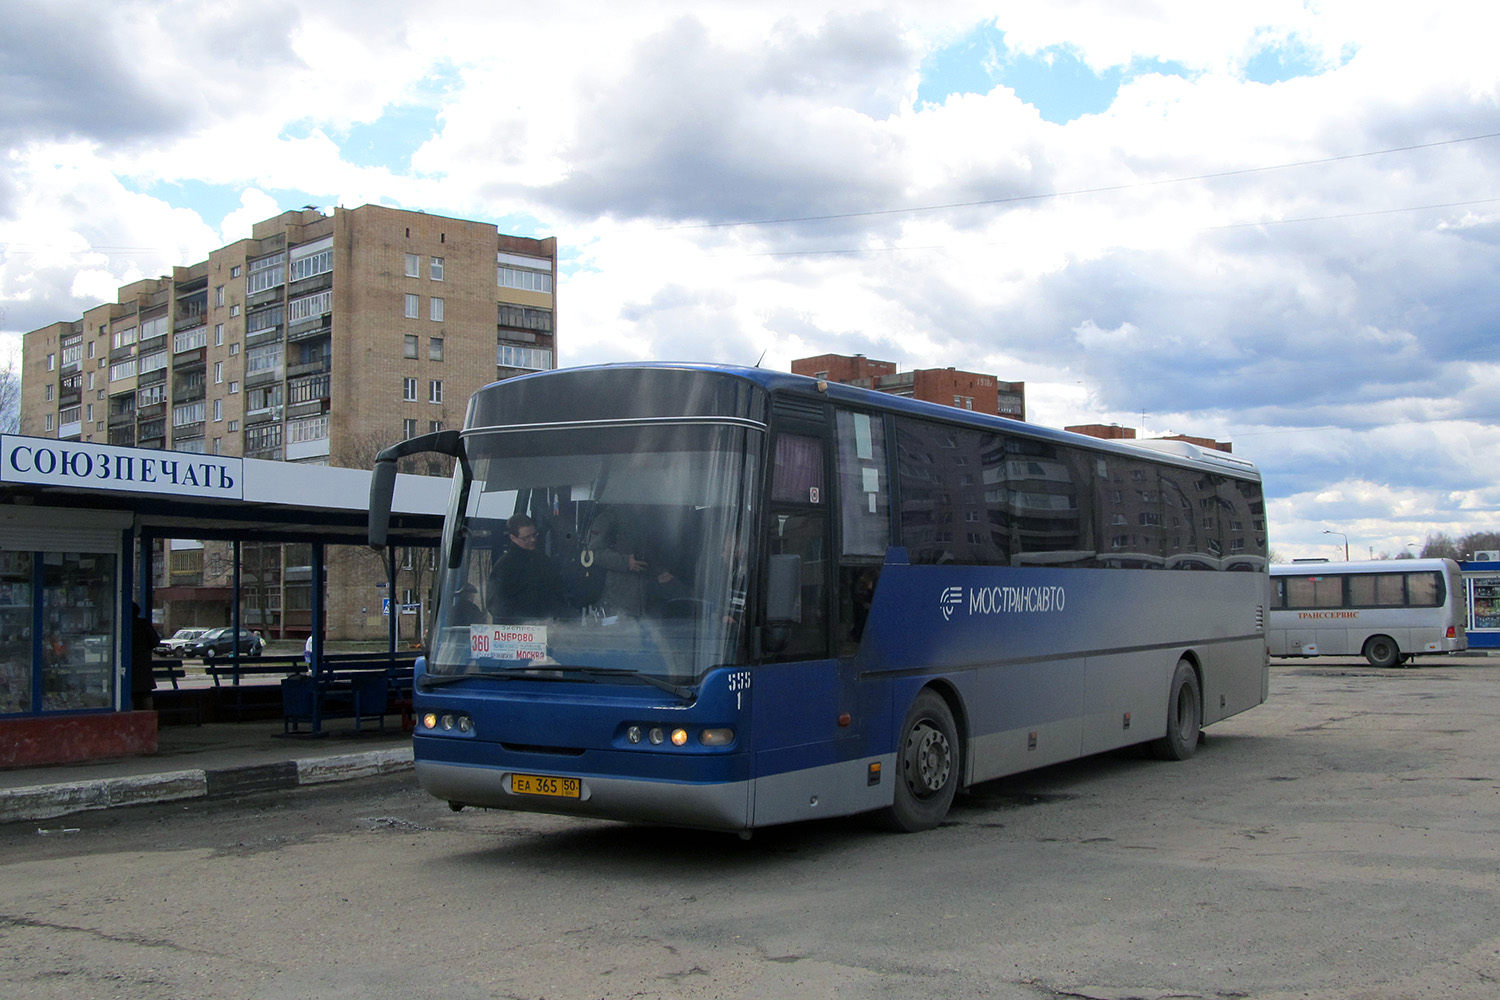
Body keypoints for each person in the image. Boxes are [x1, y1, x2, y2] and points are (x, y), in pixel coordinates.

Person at [583, 505, 678, 618]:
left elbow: (647, 556)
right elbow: (590, 553)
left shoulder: (651, 518)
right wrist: (625, 562)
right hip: (615, 603)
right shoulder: (610, 517)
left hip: (647, 605)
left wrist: (658, 573)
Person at [488, 514, 567, 621]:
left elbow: (558, 594)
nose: (533, 540)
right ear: (513, 538)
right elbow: (495, 605)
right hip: (518, 631)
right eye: (526, 538)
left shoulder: (545, 561)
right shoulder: (504, 567)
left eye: (534, 534)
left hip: (549, 626)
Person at [130, 603, 160, 711]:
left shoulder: (123, 625)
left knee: (130, 695)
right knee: (145, 695)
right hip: (143, 666)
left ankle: (132, 720)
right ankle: (149, 719)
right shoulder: (144, 624)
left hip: (130, 667)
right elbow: (155, 641)